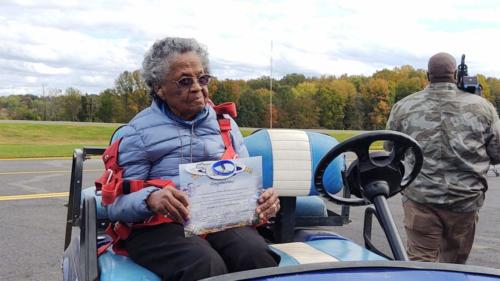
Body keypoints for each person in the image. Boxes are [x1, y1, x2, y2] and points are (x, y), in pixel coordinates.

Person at [106, 37, 280, 280]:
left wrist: (265, 200)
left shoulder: (226, 125)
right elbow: (114, 204)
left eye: (203, 78)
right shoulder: (138, 133)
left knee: (256, 255)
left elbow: (248, 186)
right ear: (159, 87)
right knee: (205, 264)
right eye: (185, 81)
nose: (198, 87)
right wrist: (151, 199)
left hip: (217, 221)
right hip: (158, 227)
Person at [386, 52, 500, 264]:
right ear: (455, 74)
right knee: (454, 266)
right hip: (464, 202)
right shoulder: (483, 108)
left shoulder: (404, 107)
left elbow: (390, 148)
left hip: (421, 201)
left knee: (421, 264)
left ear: (428, 75)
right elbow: (497, 154)